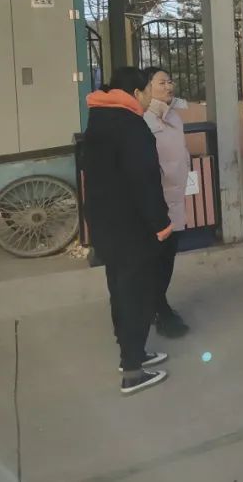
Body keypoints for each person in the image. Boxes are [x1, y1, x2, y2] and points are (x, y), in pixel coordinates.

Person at [82, 67, 173, 396]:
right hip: (133, 228)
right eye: (147, 90)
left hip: (108, 226)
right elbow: (144, 182)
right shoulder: (132, 127)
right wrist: (161, 223)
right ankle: (133, 373)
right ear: (135, 93)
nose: (150, 96)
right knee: (138, 294)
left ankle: (131, 355)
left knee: (120, 292)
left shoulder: (99, 121)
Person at [143, 67, 192, 338]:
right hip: (155, 201)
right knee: (156, 258)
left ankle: (157, 304)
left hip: (175, 198)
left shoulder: (174, 116)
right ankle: (160, 309)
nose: (169, 86)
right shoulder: (143, 120)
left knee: (169, 254)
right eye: (162, 82)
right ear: (147, 88)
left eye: (170, 81)